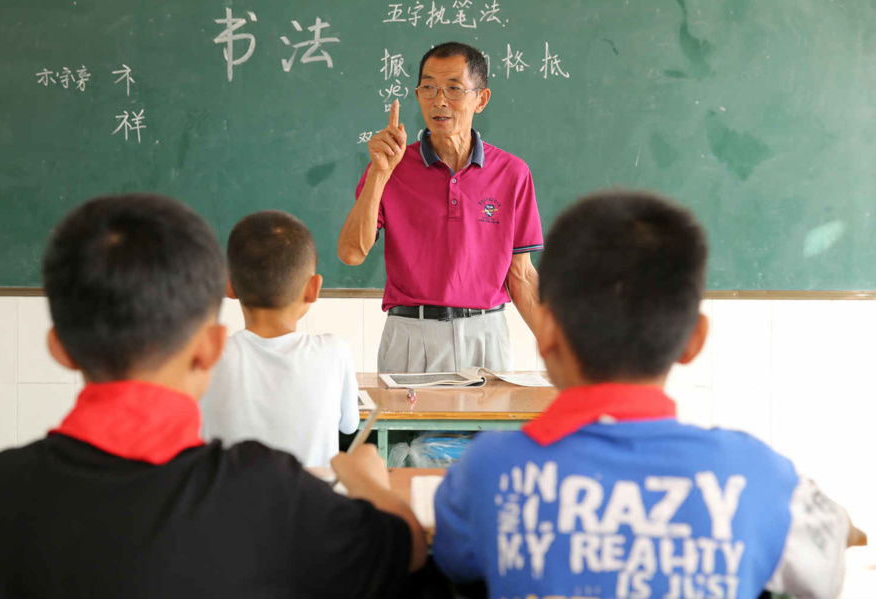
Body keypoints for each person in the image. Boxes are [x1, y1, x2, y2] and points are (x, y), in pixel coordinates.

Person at [0, 194, 425, 598]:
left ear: (60, 348)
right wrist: (372, 482)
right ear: (207, 348)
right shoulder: (274, 495)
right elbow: (403, 546)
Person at [431, 189, 862, 598]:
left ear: (547, 335)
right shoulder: (760, 478)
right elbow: (828, 565)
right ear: (694, 340)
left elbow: (455, 561)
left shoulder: (487, 470)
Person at [338, 41, 545, 373]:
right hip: (410, 333)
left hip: (485, 334)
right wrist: (379, 173)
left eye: (454, 89)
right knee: (405, 428)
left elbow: (520, 275)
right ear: (417, 95)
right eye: (429, 88)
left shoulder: (512, 172)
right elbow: (351, 253)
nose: (439, 101)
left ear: (481, 99)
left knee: (488, 427)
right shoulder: (391, 165)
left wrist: (566, 356)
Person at [201, 210, 360, 468]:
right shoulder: (335, 351)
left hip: (230, 506)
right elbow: (350, 425)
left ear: (229, 286)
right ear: (313, 288)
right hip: (312, 505)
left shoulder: (209, 356)